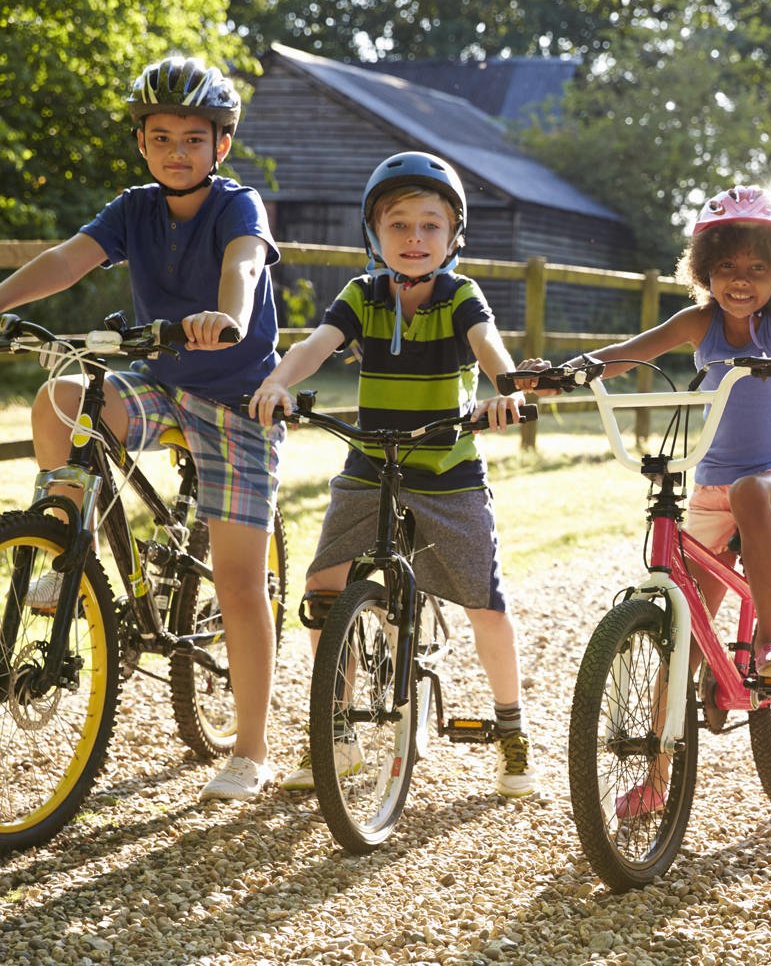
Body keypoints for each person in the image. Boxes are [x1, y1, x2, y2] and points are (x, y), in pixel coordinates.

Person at [0, 56, 285, 801]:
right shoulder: (134, 209)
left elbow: (246, 267)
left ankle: (251, 750)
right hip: (159, 378)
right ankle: (69, 542)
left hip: (237, 397)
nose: (176, 152)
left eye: (194, 138)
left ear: (221, 145)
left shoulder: (237, 206)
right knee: (62, 396)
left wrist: (228, 315)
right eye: (160, 137)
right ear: (142, 145)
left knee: (237, 580)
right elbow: (68, 260)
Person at [519, 184, 771, 816]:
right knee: (682, 636)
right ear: (704, 272)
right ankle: (657, 778)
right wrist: (565, 372)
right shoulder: (701, 322)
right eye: (725, 269)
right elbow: (629, 353)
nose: (740, 282)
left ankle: (769, 642)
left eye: (756, 270)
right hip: (712, 487)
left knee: (750, 491)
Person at [249, 151, 535, 798]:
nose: (413, 239)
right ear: (373, 234)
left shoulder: (462, 295)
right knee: (323, 586)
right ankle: (339, 728)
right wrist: (275, 382)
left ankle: (513, 730)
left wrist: (506, 390)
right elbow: (313, 346)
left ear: (454, 236)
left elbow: (490, 347)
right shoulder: (363, 295)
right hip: (371, 462)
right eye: (398, 224)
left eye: (430, 225)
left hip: (448, 468)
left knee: (484, 601)